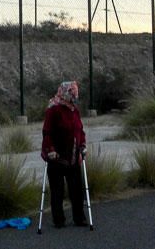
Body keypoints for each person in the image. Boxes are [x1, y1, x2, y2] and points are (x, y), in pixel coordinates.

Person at [41, 81, 88, 228]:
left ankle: (79, 219)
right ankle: (59, 220)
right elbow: (47, 132)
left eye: (76, 94)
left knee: (76, 189)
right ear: (65, 93)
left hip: (73, 156)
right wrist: (50, 150)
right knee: (57, 191)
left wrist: (83, 145)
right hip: (57, 157)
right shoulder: (53, 110)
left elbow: (80, 131)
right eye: (72, 93)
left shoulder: (74, 110)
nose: (75, 96)